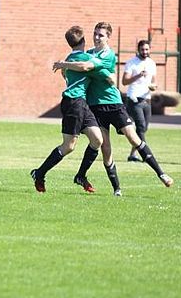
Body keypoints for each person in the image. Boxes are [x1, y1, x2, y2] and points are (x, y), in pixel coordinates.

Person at [56, 22, 173, 192]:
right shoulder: (88, 54)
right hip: (95, 106)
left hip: (113, 103)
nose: (97, 37)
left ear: (108, 37)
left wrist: (66, 65)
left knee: (133, 137)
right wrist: (68, 69)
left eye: (101, 35)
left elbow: (88, 67)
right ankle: (116, 189)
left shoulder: (108, 55)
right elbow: (79, 70)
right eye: (95, 34)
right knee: (105, 148)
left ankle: (161, 174)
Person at [30, 26, 105, 194]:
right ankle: (39, 173)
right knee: (69, 146)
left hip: (81, 103)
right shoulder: (83, 58)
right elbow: (86, 66)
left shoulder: (69, 58)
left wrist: (65, 65)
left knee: (97, 140)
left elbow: (65, 72)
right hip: (73, 103)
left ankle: (80, 176)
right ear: (84, 41)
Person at [122, 39, 157, 162]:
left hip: (147, 99)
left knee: (143, 129)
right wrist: (138, 75)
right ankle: (146, 155)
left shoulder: (152, 63)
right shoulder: (131, 63)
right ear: (138, 50)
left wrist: (153, 87)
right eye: (142, 49)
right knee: (141, 127)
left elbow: (154, 82)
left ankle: (132, 154)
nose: (145, 52)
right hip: (134, 99)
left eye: (147, 49)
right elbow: (124, 81)